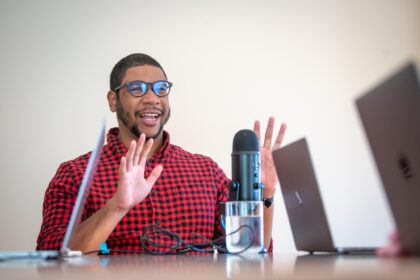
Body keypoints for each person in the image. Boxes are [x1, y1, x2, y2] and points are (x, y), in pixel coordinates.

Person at [36, 53, 287, 254]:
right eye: (137, 88)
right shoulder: (75, 174)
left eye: (161, 88)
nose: (152, 98)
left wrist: (263, 193)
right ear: (113, 100)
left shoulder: (205, 171)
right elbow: (50, 256)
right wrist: (115, 208)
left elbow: (251, 251)